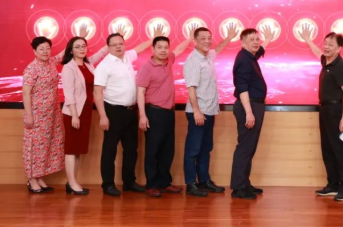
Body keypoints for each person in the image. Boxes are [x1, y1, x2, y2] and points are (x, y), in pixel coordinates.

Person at [94, 25, 164, 197]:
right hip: (113, 111)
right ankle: (108, 184)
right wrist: (103, 116)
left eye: (121, 43)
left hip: (131, 111)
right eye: (114, 44)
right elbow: (97, 92)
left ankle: (129, 182)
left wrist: (153, 38)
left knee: (131, 149)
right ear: (108, 47)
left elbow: (139, 48)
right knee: (110, 150)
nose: (118, 47)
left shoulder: (127, 57)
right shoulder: (104, 65)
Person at [182, 24, 239, 197]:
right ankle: (191, 184)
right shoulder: (193, 61)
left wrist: (228, 37)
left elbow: (217, 49)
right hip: (198, 112)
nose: (207, 41)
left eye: (209, 38)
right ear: (195, 41)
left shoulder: (207, 56)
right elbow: (191, 88)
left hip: (209, 110)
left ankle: (204, 181)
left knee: (206, 148)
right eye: (203, 39)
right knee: (193, 150)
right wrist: (197, 111)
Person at [299, 26, 343, 201]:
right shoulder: (327, 61)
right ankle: (333, 184)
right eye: (325, 43)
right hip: (324, 110)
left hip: (336, 111)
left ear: (339, 48)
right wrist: (308, 39)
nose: (326, 47)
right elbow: (318, 53)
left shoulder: (341, 66)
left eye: (331, 44)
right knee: (327, 148)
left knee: (340, 149)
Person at [136, 29, 194, 198]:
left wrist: (190, 38)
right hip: (153, 112)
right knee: (153, 150)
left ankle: (164, 182)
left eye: (165, 47)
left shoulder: (169, 60)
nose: (163, 50)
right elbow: (140, 92)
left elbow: (179, 50)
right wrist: (142, 115)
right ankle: (152, 184)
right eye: (159, 47)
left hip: (169, 113)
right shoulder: (146, 68)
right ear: (153, 49)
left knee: (167, 150)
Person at [229, 26, 274, 200]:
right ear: (242, 43)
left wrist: (267, 39)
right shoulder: (243, 60)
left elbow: (260, 50)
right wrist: (249, 112)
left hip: (255, 106)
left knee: (250, 147)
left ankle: (244, 183)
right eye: (251, 40)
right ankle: (238, 187)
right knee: (245, 148)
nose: (256, 42)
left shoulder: (250, 56)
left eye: (257, 39)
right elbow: (242, 88)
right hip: (249, 106)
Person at [60, 36, 108, 195]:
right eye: (78, 46)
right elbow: (68, 95)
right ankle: (72, 183)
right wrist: (74, 116)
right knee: (71, 149)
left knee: (78, 148)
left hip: (86, 112)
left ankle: (72, 181)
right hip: (74, 113)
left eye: (84, 46)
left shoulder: (87, 64)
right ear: (71, 50)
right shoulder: (69, 67)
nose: (82, 49)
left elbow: (100, 54)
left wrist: (110, 43)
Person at [22, 36, 66, 193]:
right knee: (35, 146)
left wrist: (78, 37)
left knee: (47, 145)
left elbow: (63, 53)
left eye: (48, 48)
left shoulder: (52, 62)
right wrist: (29, 115)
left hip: (53, 113)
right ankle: (31, 179)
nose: (45, 51)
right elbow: (26, 93)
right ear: (34, 51)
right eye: (41, 49)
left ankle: (39, 176)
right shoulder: (31, 69)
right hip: (37, 114)